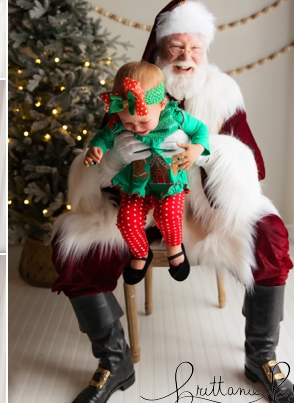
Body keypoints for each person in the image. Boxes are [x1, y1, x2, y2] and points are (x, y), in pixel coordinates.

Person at [51, 0, 294, 403]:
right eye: (176, 48)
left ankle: (261, 357)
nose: (186, 58)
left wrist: (207, 155)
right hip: (135, 203)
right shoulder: (131, 90)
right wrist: (112, 160)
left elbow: (253, 163)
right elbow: (96, 156)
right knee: (71, 243)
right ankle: (113, 363)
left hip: (204, 211)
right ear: (158, 49)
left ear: (205, 52)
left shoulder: (223, 96)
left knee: (271, 234)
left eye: (195, 49)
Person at [84, 62, 210, 283]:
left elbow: (200, 129)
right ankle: (141, 252)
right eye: (128, 123)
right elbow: (103, 137)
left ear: (162, 104)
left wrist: (197, 148)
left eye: (142, 121)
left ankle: (174, 248)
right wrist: (97, 148)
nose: (136, 128)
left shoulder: (175, 117)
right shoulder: (119, 123)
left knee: (169, 216)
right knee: (127, 221)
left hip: (169, 181)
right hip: (137, 182)